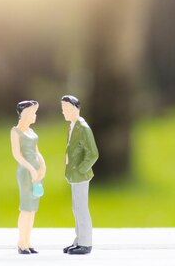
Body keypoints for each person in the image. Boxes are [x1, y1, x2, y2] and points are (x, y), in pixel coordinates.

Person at [60, 95, 99, 255]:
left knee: (81, 208)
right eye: (62, 109)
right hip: (74, 175)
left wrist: (81, 170)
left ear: (75, 109)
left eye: (66, 109)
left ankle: (86, 242)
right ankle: (79, 240)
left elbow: (93, 154)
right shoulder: (73, 126)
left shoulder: (83, 128)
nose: (63, 112)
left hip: (80, 175)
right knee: (76, 208)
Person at [10, 100, 46, 254]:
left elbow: (37, 151)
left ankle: (28, 240)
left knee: (32, 208)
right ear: (25, 114)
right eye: (33, 112)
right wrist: (31, 169)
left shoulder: (32, 132)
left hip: (36, 171)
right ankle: (21, 242)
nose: (35, 116)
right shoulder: (16, 132)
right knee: (25, 207)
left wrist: (42, 165)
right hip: (26, 173)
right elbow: (17, 154)